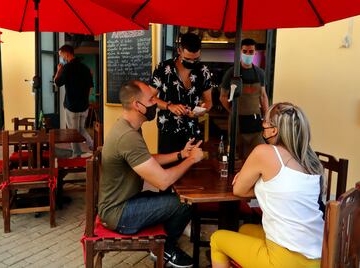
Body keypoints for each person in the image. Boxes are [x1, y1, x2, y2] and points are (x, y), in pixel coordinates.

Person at [98, 80, 204, 268]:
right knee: (185, 202)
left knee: (172, 197)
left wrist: (181, 154)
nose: (156, 102)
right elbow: (163, 181)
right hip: (119, 214)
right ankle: (165, 249)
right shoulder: (128, 137)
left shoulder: (129, 128)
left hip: (123, 203)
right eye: (151, 99)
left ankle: (164, 245)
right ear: (137, 105)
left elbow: (146, 159)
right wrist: (192, 160)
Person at [210, 102, 324, 268]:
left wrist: (245, 177)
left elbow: (239, 190)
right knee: (245, 230)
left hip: (285, 261)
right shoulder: (308, 161)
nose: (262, 123)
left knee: (217, 239)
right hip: (316, 257)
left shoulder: (265, 152)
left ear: (274, 130)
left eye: (265, 121)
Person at [150, 33, 213, 154]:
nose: (192, 62)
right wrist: (169, 106)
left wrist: (200, 111)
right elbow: (150, 97)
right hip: (168, 131)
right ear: (179, 50)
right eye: (188, 59)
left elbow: (209, 102)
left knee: (192, 170)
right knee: (168, 170)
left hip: (192, 132)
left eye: (196, 59)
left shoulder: (203, 71)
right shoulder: (163, 68)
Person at [219, 38, 269, 159]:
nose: (248, 54)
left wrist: (267, 116)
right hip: (237, 122)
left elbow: (263, 96)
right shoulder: (231, 73)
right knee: (236, 155)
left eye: (251, 51)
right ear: (240, 51)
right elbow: (223, 97)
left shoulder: (260, 73)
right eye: (245, 51)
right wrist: (232, 111)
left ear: (255, 52)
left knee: (259, 153)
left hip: (255, 120)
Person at [54, 44, 94, 156]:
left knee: (73, 132)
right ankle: (92, 144)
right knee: (81, 129)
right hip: (84, 106)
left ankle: (77, 153)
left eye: (61, 55)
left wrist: (58, 71)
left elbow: (57, 83)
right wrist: (86, 100)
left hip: (72, 106)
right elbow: (91, 87)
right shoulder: (86, 68)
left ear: (66, 54)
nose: (61, 57)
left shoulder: (66, 68)